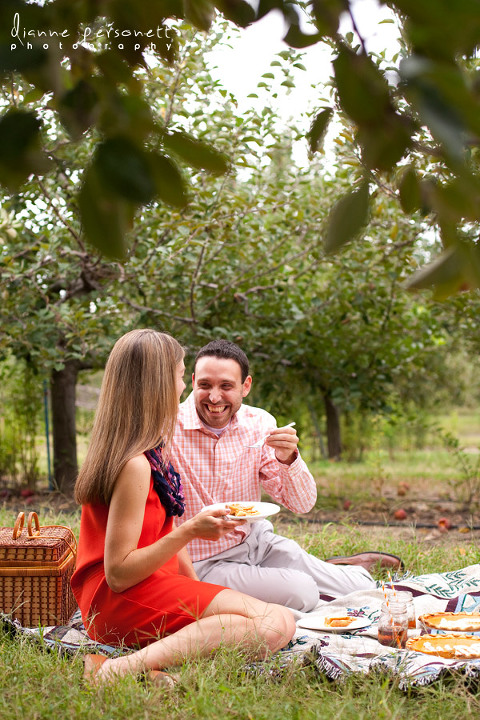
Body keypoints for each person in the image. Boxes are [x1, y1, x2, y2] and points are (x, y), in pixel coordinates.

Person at [71, 329, 295, 686]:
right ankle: (115, 669)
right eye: (179, 376)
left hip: (151, 585)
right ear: (158, 385)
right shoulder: (134, 465)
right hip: (119, 601)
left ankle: (153, 666)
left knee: (269, 619)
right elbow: (118, 574)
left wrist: (198, 596)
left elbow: (165, 526)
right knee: (276, 624)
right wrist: (192, 530)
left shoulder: (150, 448)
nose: (182, 388)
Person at [171, 340, 404, 613]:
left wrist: (288, 459)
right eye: (205, 385)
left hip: (256, 542)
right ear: (193, 381)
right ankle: (295, 578)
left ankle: (337, 568)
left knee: (362, 587)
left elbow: (302, 504)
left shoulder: (259, 423)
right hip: (206, 562)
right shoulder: (167, 428)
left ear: (245, 386)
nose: (214, 397)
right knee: (302, 592)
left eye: (226, 386)